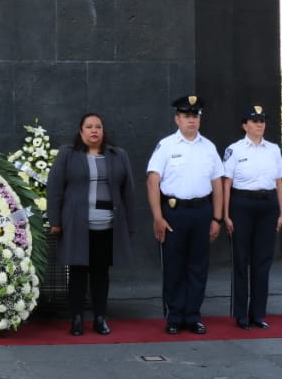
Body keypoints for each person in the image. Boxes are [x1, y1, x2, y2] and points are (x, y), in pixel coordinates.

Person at [46, 112, 136, 336]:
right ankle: (76, 319)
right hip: (77, 225)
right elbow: (55, 188)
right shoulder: (68, 154)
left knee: (100, 273)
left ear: (103, 131)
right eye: (89, 126)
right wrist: (55, 221)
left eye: (98, 126)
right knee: (77, 273)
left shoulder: (118, 155)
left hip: (107, 226)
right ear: (81, 131)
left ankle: (99, 318)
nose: (94, 130)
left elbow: (129, 192)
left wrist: (129, 223)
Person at [145, 95, 224, 335]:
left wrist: (217, 218)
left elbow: (217, 183)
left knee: (198, 267)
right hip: (174, 213)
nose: (192, 120)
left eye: (195, 116)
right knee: (174, 266)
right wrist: (158, 217)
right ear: (177, 119)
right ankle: (175, 316)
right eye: (187, 116)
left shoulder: (209, 147)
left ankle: (193, 316)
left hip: (202, 212)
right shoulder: (166, 145)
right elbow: (153, 181)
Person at [221, 105, 282, 330]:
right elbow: (226, 183)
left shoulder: (273, 149)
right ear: (244, 125)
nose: (259, 125)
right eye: (254, 121)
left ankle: (258, 313)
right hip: (242, 204)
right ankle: (241, 314)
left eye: (262, 121)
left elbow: (279, 181)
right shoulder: (235, 149)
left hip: (267, 205)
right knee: (241, 260)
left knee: (263, 262)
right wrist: (226, 214)